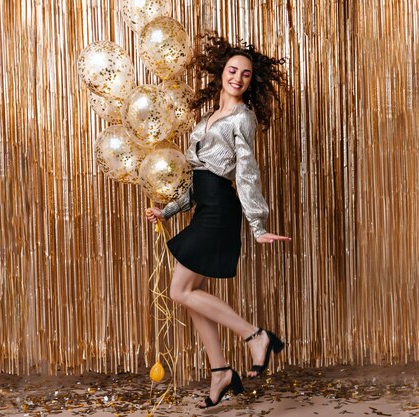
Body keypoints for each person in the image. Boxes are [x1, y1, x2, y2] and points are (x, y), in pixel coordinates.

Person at [145, 34, 291, 409]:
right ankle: (221, 372)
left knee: (179, 291)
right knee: (192, 298)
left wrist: (257, 225)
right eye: (232, 70)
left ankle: (255, 336)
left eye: (245, 74)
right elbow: (197, 179)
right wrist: (168, 210)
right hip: (204, 206)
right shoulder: (209, 119)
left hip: (221, 212)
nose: (238, 78)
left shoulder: (242, 118)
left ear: (250, 82)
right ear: (220, 73)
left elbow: (246, 172)